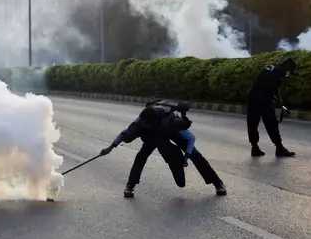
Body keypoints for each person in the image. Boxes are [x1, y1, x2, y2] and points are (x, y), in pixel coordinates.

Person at [99, 103, 227, 198]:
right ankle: (130, 185)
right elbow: (125, 133)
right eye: (142, 123)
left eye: (145, 124)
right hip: (154, 137)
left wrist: (187, 156)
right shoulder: (142, 121)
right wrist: (110, 148)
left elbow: (190, 138)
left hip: (170, 132)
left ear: (153, 123)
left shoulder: (171, 121)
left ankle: (217, 182)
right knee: (141, 156)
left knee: (196, 155)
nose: (142, 125)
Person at [247, 58, 297, 157]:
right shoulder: (281, 71)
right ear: (288, 68)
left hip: (253, 96)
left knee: (252, 123)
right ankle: (279, 148)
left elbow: (263, 82)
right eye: (290, 71)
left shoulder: (271, 66)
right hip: (263, 99)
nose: (288, 74)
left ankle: (254, 148)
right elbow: (275, 89)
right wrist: (280, 103)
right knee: (271, 123)